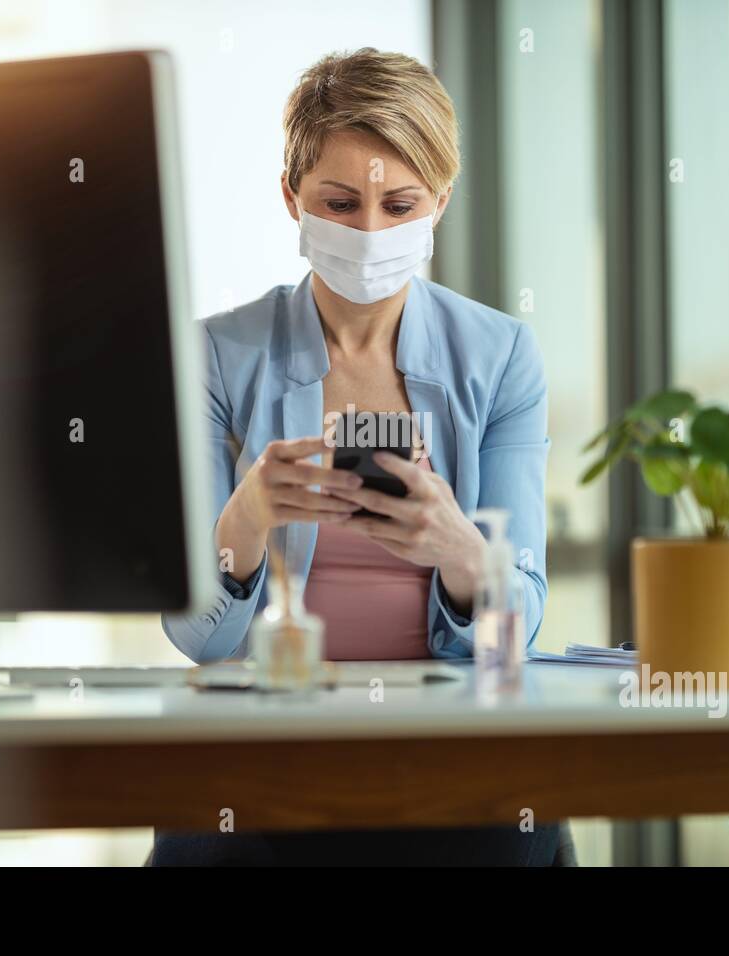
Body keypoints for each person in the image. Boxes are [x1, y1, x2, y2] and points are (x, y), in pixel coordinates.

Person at [154, 48, 554, 866]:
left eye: (400, 203)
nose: (369, 231)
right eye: (339, 202)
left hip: (449, 740)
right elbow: (195, 637)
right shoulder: (216, 356)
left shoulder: (503, 354)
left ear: (440, 202)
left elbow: (526, 614)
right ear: (290, 199)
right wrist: (250, 513)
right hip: (268, 738)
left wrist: (461, 551)